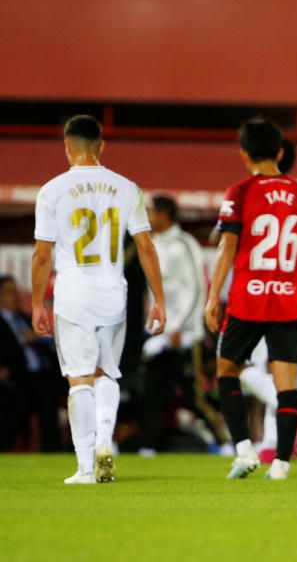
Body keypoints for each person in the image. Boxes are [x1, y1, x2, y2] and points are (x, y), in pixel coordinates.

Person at [31, 115, 167, 484]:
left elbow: (42, 256)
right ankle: (107, 437)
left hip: (73, 295)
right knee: (108, 372)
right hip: (113, 294)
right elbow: (146, 248)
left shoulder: (51, 191)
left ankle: (86, 467)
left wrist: (36, 305)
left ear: (66, 146)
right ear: (101, 146)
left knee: (79, 380)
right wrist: (159, 299)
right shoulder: (126, 188)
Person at [204, 118, 297, 481]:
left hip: (248, 299)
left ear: (243, 154)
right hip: (286, 299)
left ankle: (244, 450)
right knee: (286, 382)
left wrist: (212, 297)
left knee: (226, 373)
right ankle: (282, 465)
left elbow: (227, 246)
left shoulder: (239, 191)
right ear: (281, 152)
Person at [138, 194, 213, 455]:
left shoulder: (185, 244)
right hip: (160, 335)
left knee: (195, 397)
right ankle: (148, 447)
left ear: (165, 214)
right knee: (151, 392)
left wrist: (180, 328)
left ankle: (226, 441)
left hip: (185, 334)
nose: (147, 217)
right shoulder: (150, 244)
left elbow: (197, 289)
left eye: (151, 212)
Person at [0, 275, 62, 452]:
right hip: (14, 376)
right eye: (9, 292)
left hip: (41, 375)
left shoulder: (27, 319)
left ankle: (54, 452)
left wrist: (38, 339)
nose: (15, 296)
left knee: (49, 398)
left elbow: (51, 341)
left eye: (16, 291)